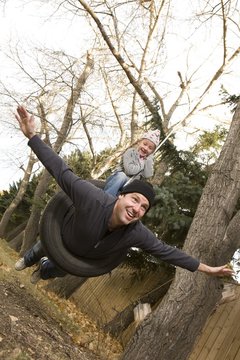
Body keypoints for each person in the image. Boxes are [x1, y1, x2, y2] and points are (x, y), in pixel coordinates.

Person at [14, 105, 233, 284]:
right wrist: (32, 136)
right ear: (121, 196)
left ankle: (42, 272)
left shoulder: (136, 233)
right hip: (62, 235)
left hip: (78, 257)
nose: (137, 208)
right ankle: (28, 259)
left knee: (59, 269)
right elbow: (60, 170)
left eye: (144, 207)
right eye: (135, 199)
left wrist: (207, 269)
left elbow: (169, 252)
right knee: (44, 245)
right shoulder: (92, 198)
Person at [104, 129, 160, 196]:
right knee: (122, 176)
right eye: (145, 144)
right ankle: (106, 197)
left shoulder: (147, 160)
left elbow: (147, 175)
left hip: (128, 185)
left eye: (150, 148)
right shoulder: (130, 152)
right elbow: (129, 171)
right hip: (116, 180)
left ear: (152, 152)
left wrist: (149, 160)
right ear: (139, 142)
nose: (146, 148)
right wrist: (142, 164)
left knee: (137, 187)